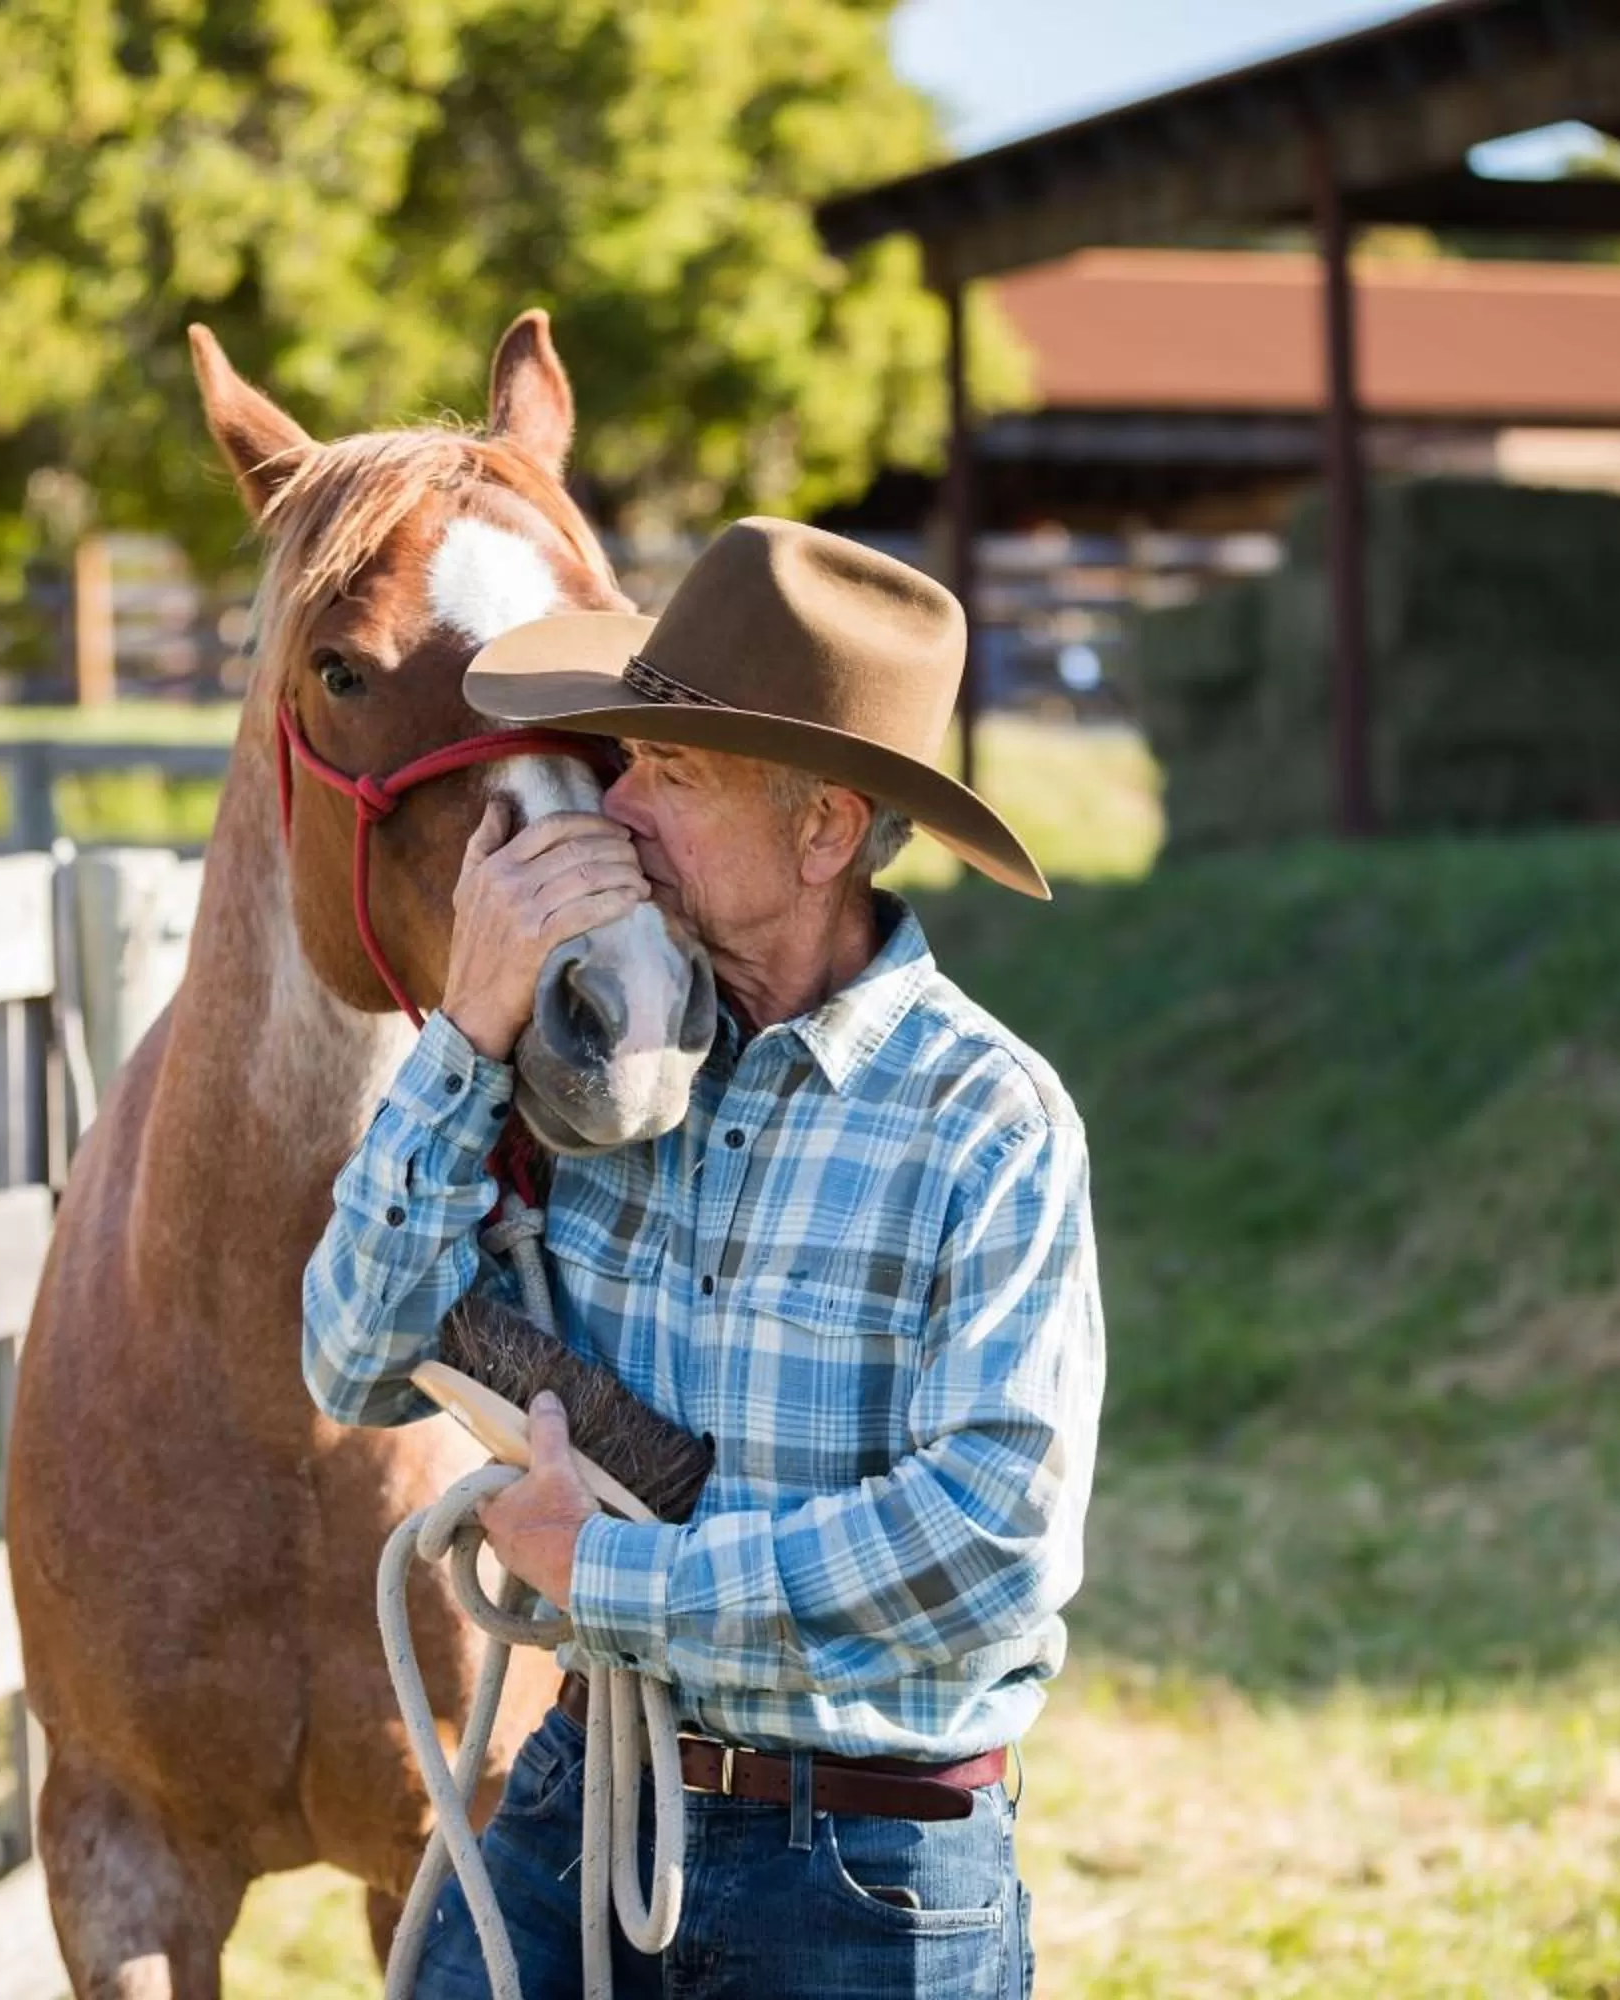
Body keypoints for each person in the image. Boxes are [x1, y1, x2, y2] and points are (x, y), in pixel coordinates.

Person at [303, 517, 1105, 1999]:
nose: (619, 811)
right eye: (624, 763)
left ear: (823, 833)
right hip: (581, 1795)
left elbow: (988, 1548)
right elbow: (352, 1356)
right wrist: (469, 1034)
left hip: (862, 1877)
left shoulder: (986, 1121)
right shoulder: (615, 1063)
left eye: (672, 773)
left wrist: (613, 1580)